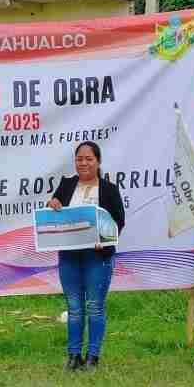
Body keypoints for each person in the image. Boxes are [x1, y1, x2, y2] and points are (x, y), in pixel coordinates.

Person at [48, 141, 125, 372]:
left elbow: (119, 222)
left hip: (98, 257)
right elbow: (54, 211)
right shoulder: (66, 184)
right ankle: (73, 356)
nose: (83, 163)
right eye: (79, 159)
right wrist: (52, 203)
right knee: (73, 307)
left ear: (98, 161)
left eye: (89, 159)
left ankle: (93, 357)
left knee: (95, 306)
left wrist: (106, 239)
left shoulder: (109, 189)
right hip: (69, 256)